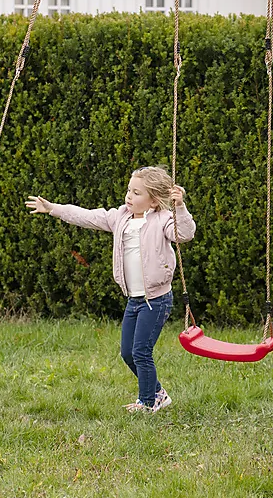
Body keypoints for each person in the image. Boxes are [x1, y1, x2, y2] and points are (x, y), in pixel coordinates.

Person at [26, 166, 193, 413]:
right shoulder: (120, 217)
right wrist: (54, 209)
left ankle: (147, 402)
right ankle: (157, 393)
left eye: (137, 193)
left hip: (156, 300)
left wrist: (180, 207)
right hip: (134, 300)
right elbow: (87, 216)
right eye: (129, 190)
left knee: (141, 352)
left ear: (154, 201)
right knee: (128, 353)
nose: (129, 196)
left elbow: (185, 234)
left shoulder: (163, 220)